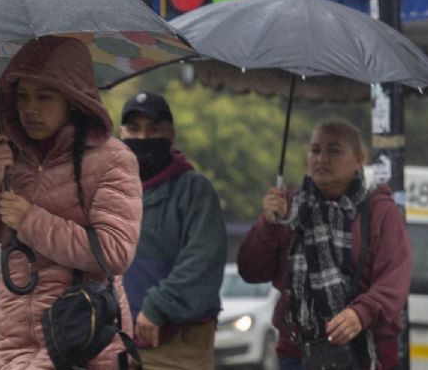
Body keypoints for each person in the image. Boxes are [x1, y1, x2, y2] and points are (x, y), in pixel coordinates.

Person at [0, 36, 144, 369]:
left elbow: (114, 253)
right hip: (16, 346)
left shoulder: (112, 159)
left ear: (73, 100)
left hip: (83, 343)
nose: (30, 109)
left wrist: (30, 221)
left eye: (44, 97)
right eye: (22, 96)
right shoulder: (5, 157)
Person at [237, 120, 412, 370]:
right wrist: (268, 224)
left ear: (359, 159)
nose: (321, 159)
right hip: (298, 354)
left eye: (334, 151)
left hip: (366, 355)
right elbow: (251, 271)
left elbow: (394, 280)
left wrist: (360, 314)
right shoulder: (288, 207)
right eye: (315, 150)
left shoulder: (380, 211)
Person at [118, 91, 227, 370]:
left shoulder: (195, 190)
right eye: (133, 128)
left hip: (178, 344)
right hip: (115, 343)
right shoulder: (110, 189)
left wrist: (157, 307)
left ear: (171, 133)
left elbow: (203, 261)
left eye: (153, 129)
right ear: (120, 132)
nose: (142, 138)